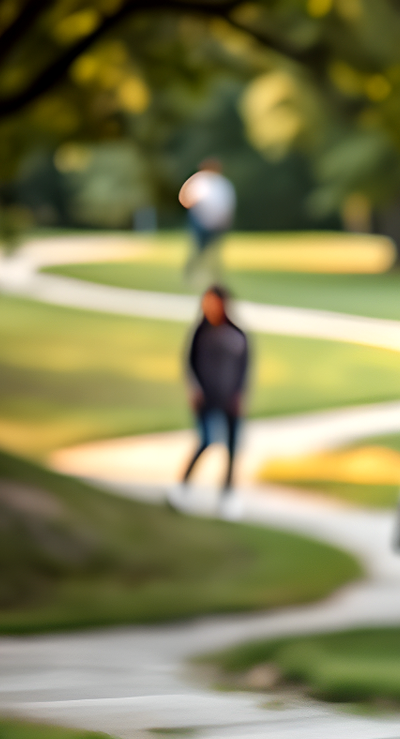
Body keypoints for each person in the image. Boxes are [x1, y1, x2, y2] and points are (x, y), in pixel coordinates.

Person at [169, 285, 248, 521]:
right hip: (206, 397)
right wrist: (194, 389)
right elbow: (189, 363)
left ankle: (227, 494)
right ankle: (182, 487)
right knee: (205, 440)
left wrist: (240, 394)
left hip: (229, 399)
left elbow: (245, 368)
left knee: (232, 448)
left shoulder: (237, 334)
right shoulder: (200, 332)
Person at [178, 158, 235, 288]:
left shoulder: (223, 184)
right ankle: (191, 274)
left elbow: (228, 206)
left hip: (217, 224)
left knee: (213, 252)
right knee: (198, 250)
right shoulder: (200, 183)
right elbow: (187, 200)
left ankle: (215, 279)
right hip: (200, 222)